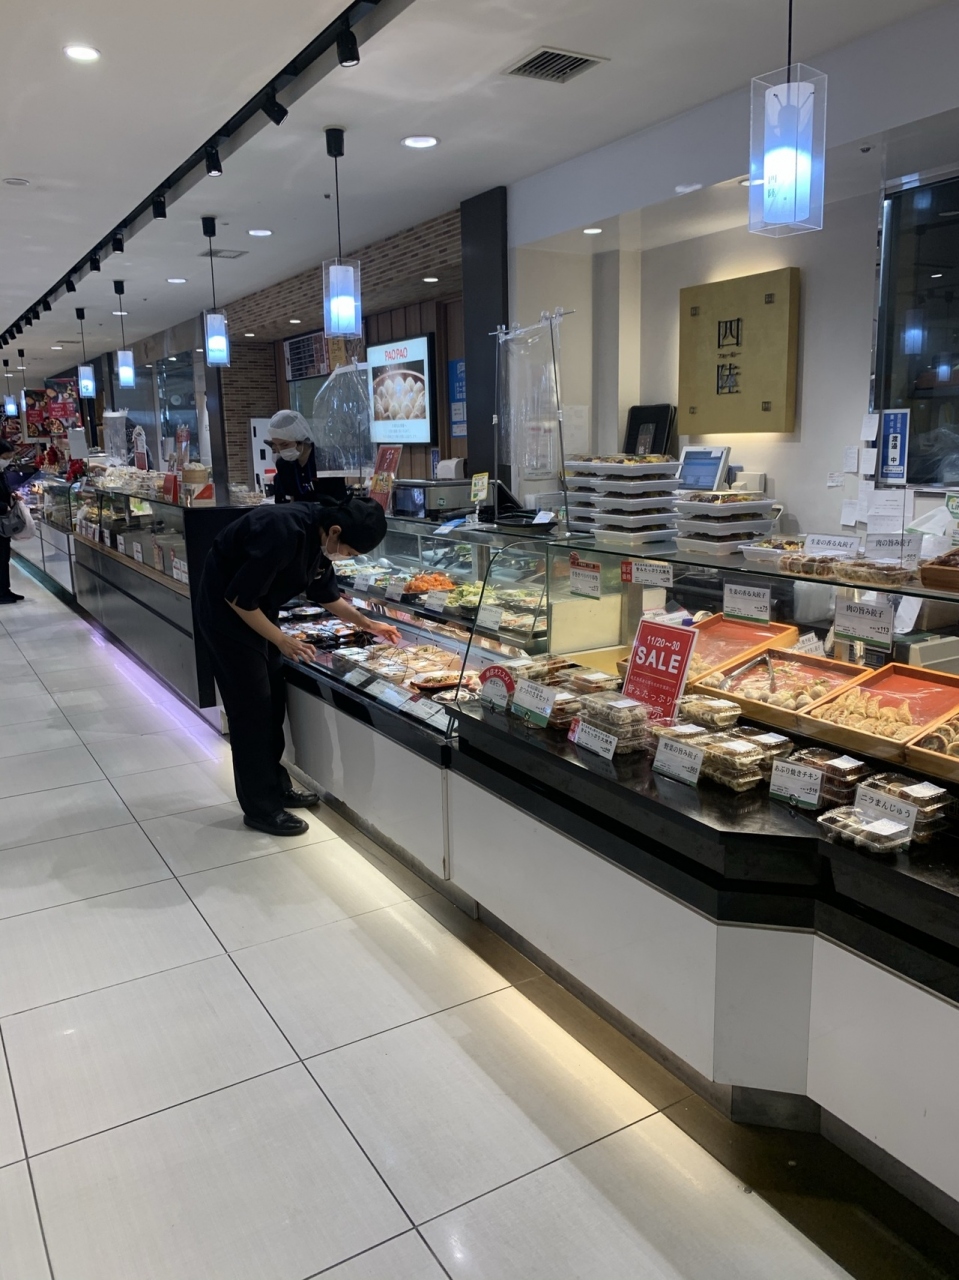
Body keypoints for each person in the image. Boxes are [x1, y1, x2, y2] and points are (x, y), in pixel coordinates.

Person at [196, 496, 401, 837]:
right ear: (335, 532)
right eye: (349, 552)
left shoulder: (319, 542)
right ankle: (261, 809)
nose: (346, 557)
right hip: (227, 619)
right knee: (252, 713)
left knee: (273, 704)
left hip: (260, 614)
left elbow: (326, 594)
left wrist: (369, 624)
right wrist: (281, 639)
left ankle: (277, 788)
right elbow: (238, 599)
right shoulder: (281, 531)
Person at [266, 410, 347, 504]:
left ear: (301, 439)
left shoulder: (327, 461)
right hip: (297, 512)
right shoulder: (283, 464)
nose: (280, 450)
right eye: (276, 445)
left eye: (285, 445)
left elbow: (340, 500)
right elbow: (284, 500)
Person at [0, 439, 37, 604]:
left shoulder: (1, 471)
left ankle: (5, 590)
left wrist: (13, 496)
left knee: (4, 557)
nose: (7, 460)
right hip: (1, 517)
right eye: (5, 457)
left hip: (3, 522)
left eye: (10, 457)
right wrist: (4, 506)